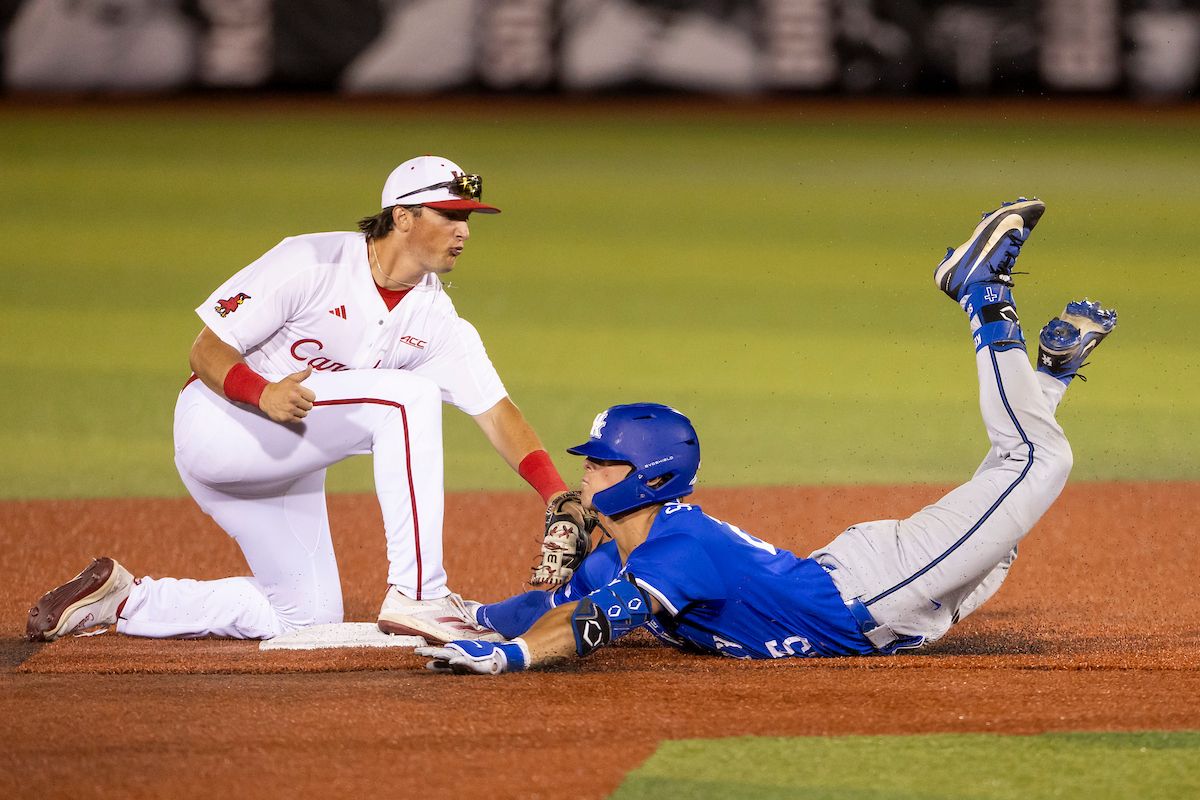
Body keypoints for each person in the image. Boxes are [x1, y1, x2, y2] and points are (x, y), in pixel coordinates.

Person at [411, 198, 1119, 674]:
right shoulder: (624, 554)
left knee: (1035, 462)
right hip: (877, 593)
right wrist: (469, 617)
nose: (587, 474)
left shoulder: (679, 549)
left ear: (645, 477)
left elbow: (595, 621)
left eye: (602, 463)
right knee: (1008, 507)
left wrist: (512, 658)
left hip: (877, 590)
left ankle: (983, 293)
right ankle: (1049, 375)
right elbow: (548, 607)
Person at [26, 156, 579, 644]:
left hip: (286, 468)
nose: (464, 230)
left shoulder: (437, 321)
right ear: (404, 217)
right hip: (220, 427)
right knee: (409, 397)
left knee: (306, 616)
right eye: (450, 215)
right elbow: (205, 350)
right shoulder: (312, 262)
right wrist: (261, 391)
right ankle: (419, 593)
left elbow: (497, 413)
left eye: (468, 218)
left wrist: (557, 494)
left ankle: (123, 599)